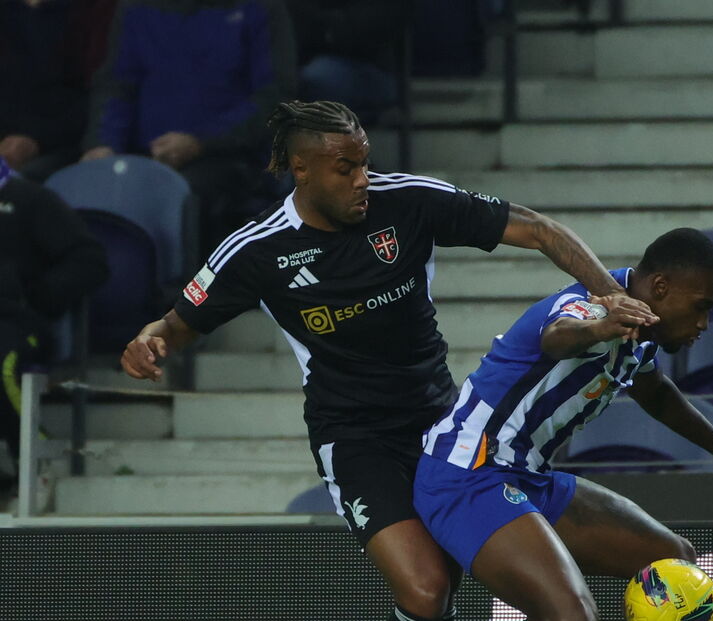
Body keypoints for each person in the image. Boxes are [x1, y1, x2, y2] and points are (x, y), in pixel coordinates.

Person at [119, 100, 659, 621]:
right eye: (344, 168)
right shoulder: (256, 249)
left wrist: (608, 293)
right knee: (426, 591)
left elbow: (538, 229)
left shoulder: (407, 201)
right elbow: (175, 325)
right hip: (356, 439)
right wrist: (149, 341)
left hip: (443, 428)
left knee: (470, 584)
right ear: (301, 170)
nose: (361, 179)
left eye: (364, 163)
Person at [413, 228, 713, 620]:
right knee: (572, 613)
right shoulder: (596, 305)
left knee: (673, 561)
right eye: (701, 306)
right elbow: (556, 337)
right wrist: (600, 328)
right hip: (466, 473)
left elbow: (658, 394)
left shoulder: (643, 331)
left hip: (527, 479)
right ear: (661, 287)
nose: (704, 323)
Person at [81, 0, 296, 255]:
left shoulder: (260, 7)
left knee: (177, 195)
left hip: (231, 157)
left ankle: (187, 291)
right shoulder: (135, 7)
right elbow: (117, 86)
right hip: (143, 155)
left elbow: (274, 99)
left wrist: (201, 142)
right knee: (87, 188)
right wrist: (103, 144)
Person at [0, 156, 109, 492]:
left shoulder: (30, 199)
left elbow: (90, 260)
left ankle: (36, 459)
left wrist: (36, 299)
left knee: (2, 365)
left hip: (18, 324)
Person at [0, 0, 118, 182]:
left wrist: (34, 139)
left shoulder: (92, 14)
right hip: (10, 139)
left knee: (19, 185)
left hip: (62, 144)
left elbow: (99, 94)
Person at [284, 0, 408, 124]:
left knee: (314, 78)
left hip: (373, 70)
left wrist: (322, 28)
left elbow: (362, 30)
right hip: (314, 62)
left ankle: (369, 116)